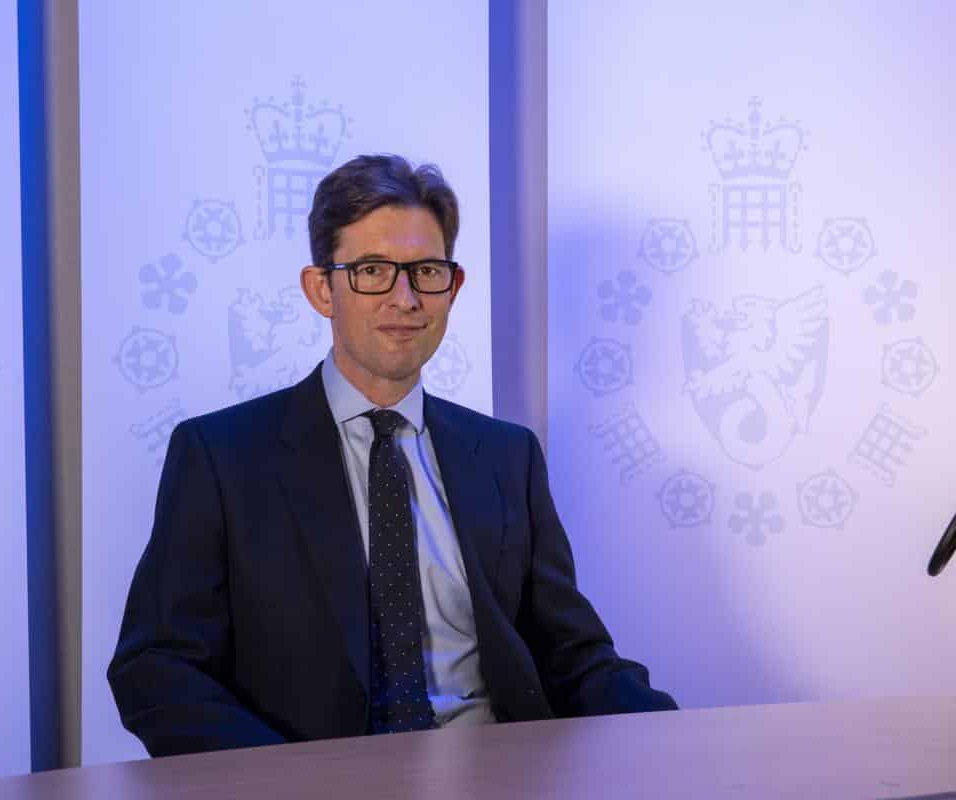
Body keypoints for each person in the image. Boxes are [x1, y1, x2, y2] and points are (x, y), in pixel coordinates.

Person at [108, 154, 677, 758]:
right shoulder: (222, 457)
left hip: (498, 775)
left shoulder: (508, 457)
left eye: (426, 271)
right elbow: (157, 668)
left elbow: (574, 655)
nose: (404, 299)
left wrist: (681, 738)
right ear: (321, 289)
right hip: (314, 781)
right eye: (373, 271)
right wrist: (284, 782)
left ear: (452, 288)